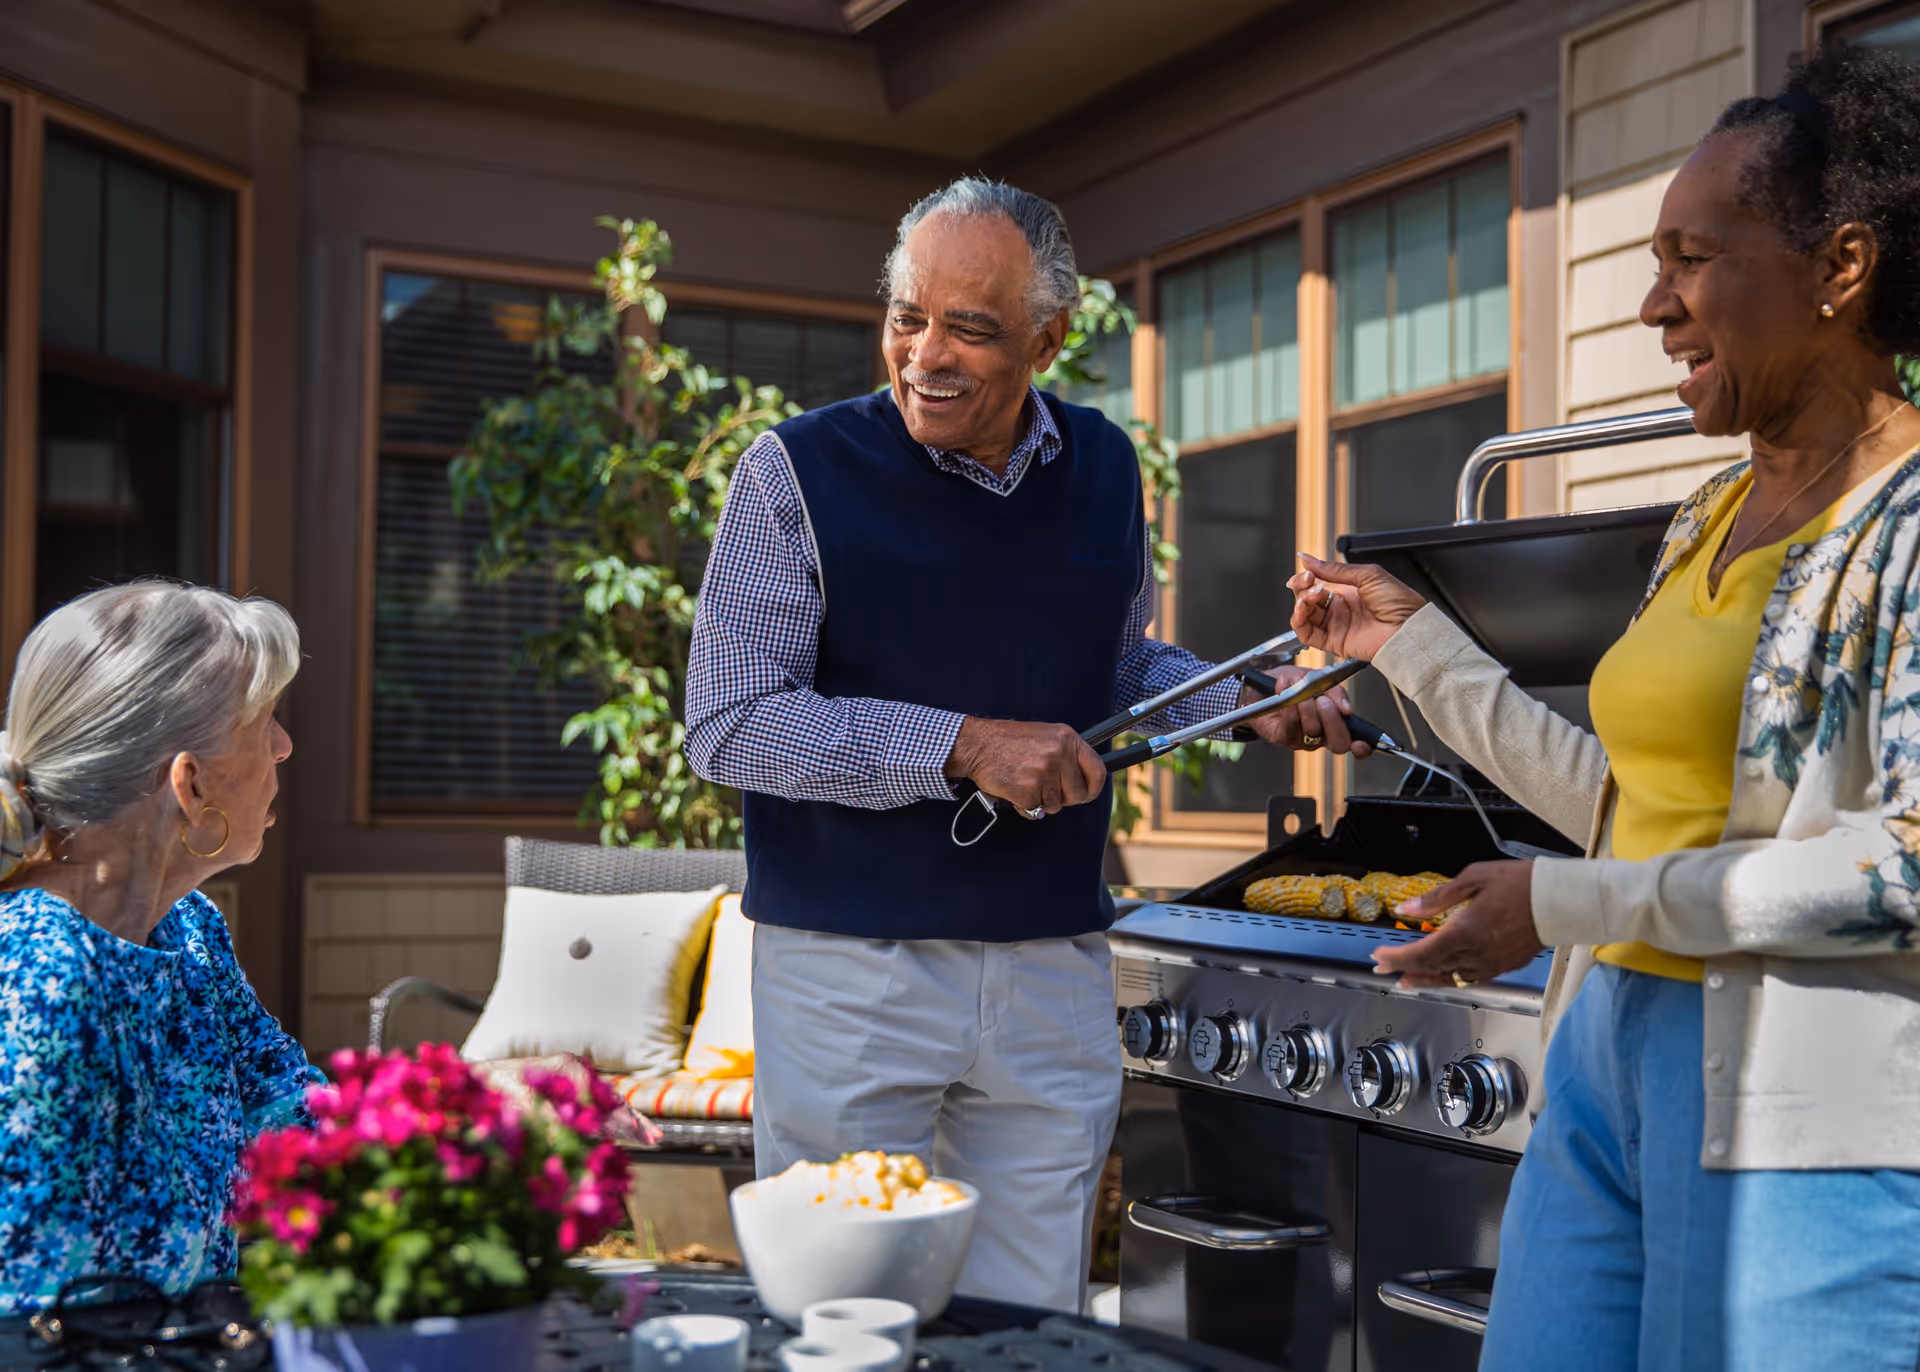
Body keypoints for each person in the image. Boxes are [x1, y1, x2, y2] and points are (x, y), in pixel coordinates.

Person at [1288, 45, 1920, 1372]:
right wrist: (1411, 651)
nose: (1654, 304)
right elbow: (1635, 811)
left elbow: (1905, 864)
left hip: (1800, 1114)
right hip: (1605, 1051)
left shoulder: (1906, 527)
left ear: (1842, 269)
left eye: (1695, 257)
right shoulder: (1709, 514)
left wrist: (1566, 903)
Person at [685, 177, 1363, 1312]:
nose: (925, 354)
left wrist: (1241, 698)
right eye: (909, 316)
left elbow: (1117, 665)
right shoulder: (790, 473)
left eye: (972, 328)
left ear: (1050, 336)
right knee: (845, 1316)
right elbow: (731, 720)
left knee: (1031, 1316)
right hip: (854, 971)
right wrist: (962, 744)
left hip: (1051, 965)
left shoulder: (1103, 469)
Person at [0, 582, 322, 1314]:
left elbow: (291, 1116)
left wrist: (486, 1104)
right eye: (264, 720)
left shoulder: (189, 932)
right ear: (190, 782)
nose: (284, 745)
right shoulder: (36, 980)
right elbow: (21, 1317)